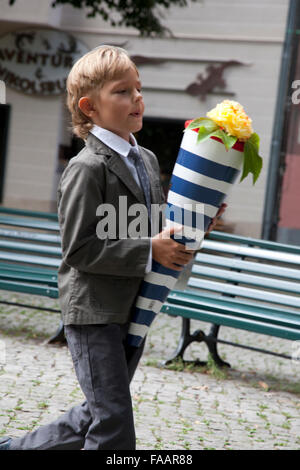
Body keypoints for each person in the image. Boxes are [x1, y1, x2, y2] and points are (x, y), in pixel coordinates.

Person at [0, 45, 225, 450]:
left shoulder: (146, 158)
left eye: (138, 88)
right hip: (93, 310)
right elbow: (79, 248)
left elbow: (156, 229)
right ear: (90, 107)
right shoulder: (86, 168)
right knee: (113, 423)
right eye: (122, 91)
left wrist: (199, 219)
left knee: (93, 413)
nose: (137, 97)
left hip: (133, 306)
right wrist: (149, 250)